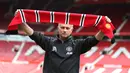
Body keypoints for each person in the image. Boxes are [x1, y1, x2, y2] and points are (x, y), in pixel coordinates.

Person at [18, 16, 111, 73]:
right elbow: (33, 34)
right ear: (58, 28)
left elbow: (95, 40)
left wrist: (105, 25)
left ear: (72, 29)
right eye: (62, 27)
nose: (64, 30)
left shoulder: (77, 45)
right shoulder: (49, 42)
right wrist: (20, 20)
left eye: (67, 28)